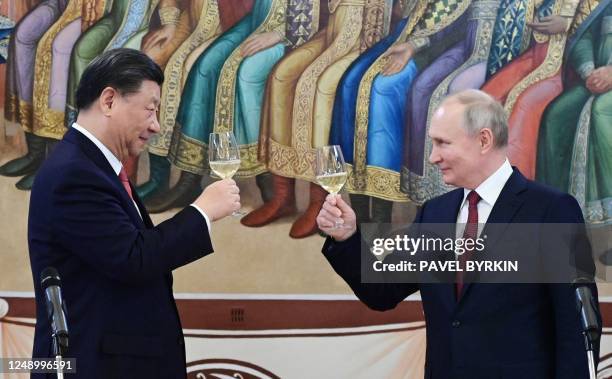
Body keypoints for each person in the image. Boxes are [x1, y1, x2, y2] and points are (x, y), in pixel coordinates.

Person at [317, 89, 600, 378]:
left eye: (442, 143)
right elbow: (382, 291)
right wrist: (347, 237)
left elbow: (573, 326)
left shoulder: (551, 210)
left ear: (484, 140)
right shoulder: (434, 214)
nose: (432, 157)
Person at [28, 48, 240, 378]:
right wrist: (202, 211)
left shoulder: (93, 167)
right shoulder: (74, 173)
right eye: (150, 110)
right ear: (109, 100)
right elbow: (133, 257)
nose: (156, 126)